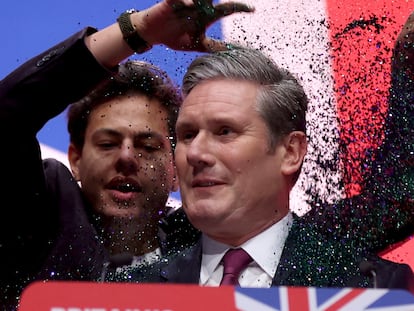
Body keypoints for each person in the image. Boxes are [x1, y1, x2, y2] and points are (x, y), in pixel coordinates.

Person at [0, 0, 253, 309]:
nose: (127, 157)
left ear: (176, 169)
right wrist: (138, 32)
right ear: (76, 159)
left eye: (148, 146)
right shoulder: (38, 218)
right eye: (107, 144)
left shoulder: (215, 246)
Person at [119, 42, 414, 290]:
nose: (195, 153)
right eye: (187, 135)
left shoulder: (373, 286)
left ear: (290, 152)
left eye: (224, 132)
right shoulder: (129, 291)